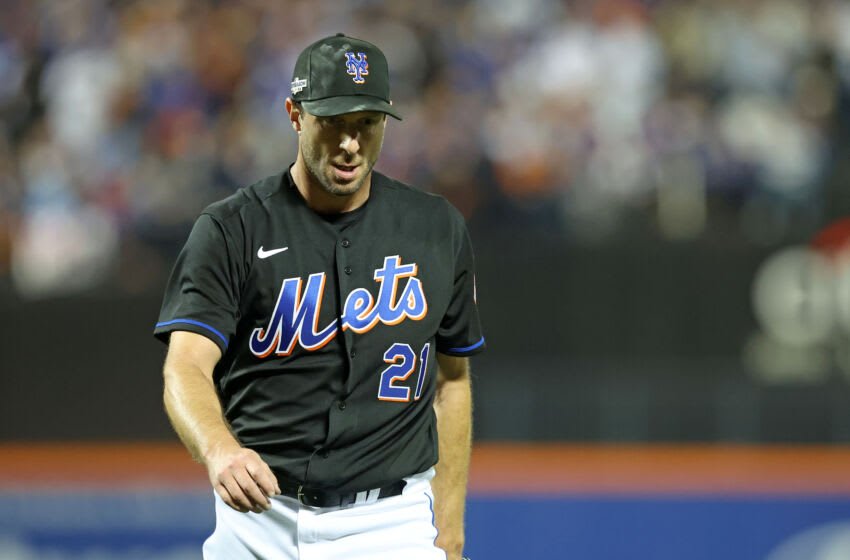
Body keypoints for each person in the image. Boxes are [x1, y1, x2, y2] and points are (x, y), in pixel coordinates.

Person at [154, 33, 484, 560]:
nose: (350, 143)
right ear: (294, 114)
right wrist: (219, 450)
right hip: (261, 519)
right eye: (333, 123)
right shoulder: (232, 228)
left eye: (366, 124)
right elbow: (185, 367)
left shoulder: (435, 229)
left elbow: (451, 380)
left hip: (391, 522)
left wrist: (448, 525)